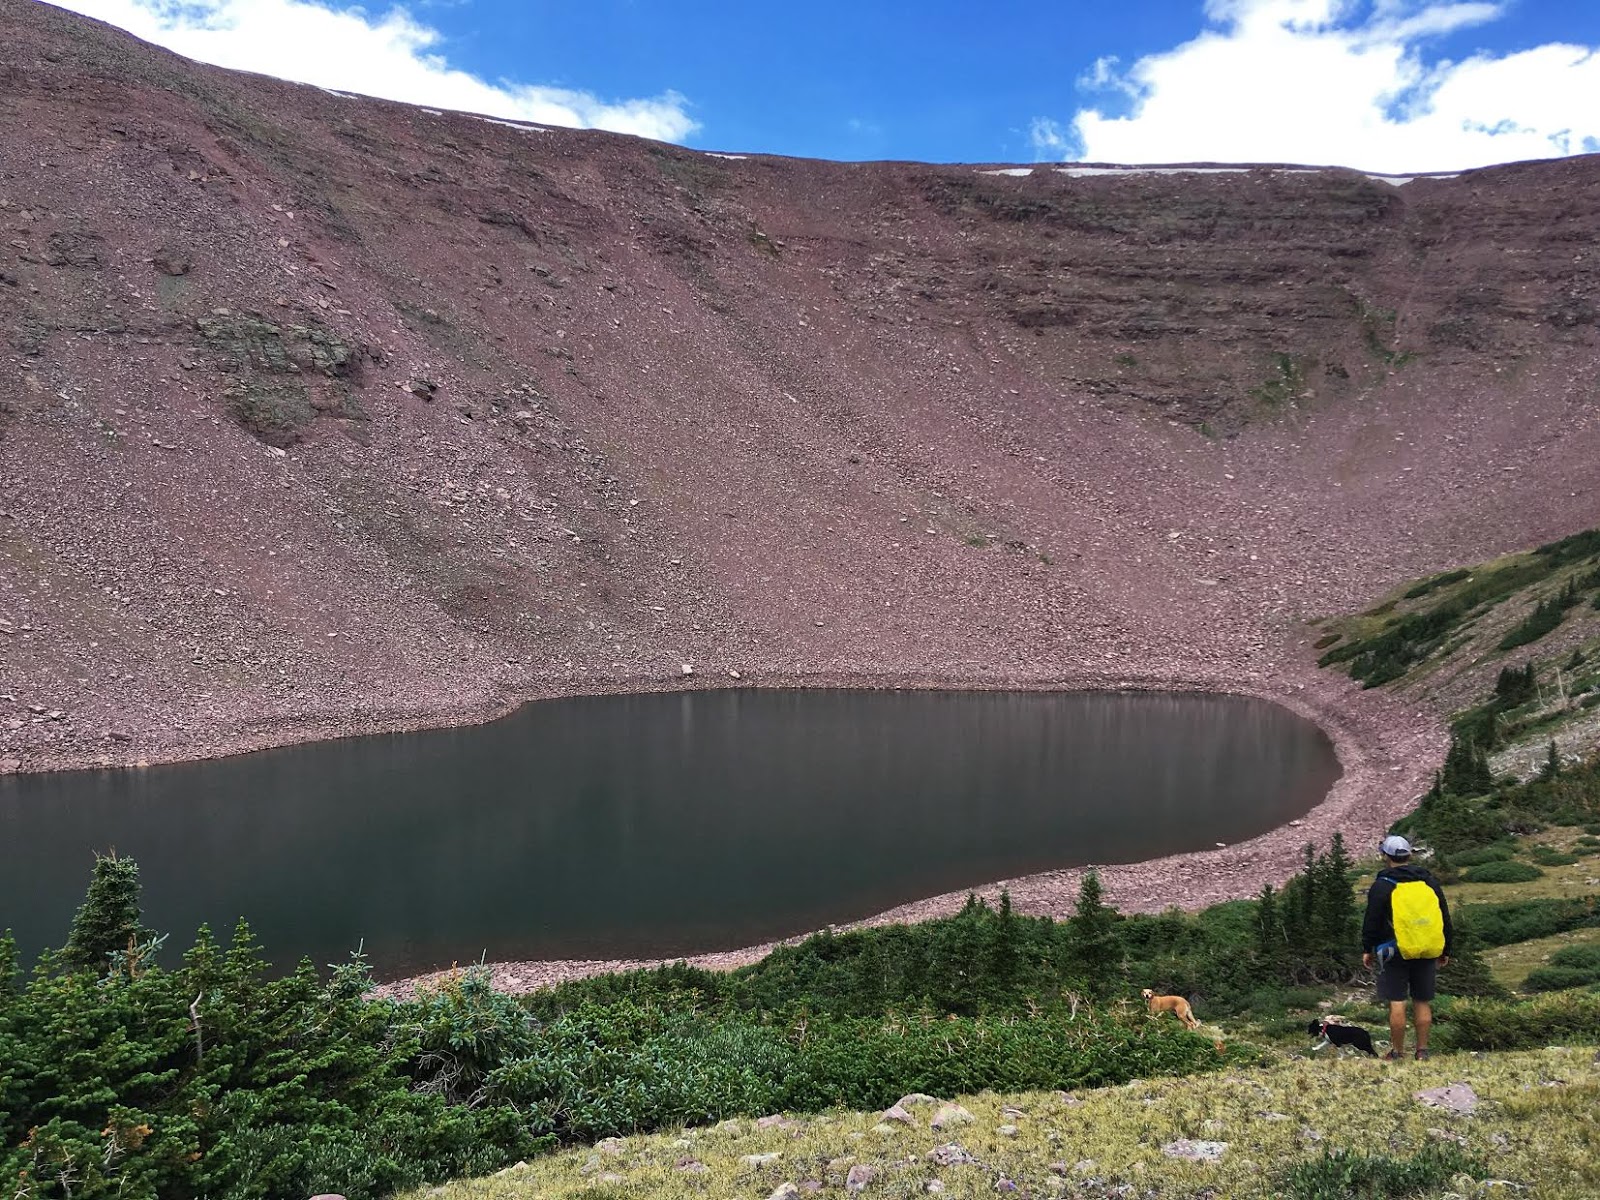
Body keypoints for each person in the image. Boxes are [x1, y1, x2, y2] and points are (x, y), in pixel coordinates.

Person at [1361, 833, 1452, 1060]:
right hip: (1425, 947)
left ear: (1386, 855)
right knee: (1422, 1000)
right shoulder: (1428, 880)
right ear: (1409, 854)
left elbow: (1371, 920)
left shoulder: (1382, 885)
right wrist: (1445, 948)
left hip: (1394, 950)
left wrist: (1367, 948)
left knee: (1397, 1000)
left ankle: (1397, 1052)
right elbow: (1443, 916)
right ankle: (1422, 1051)